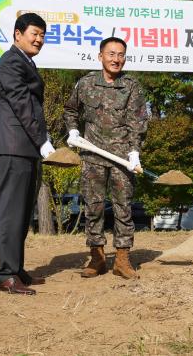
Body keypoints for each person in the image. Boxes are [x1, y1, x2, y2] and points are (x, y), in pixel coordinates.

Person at [64, 37, 148, 279]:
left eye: (121, 55)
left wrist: (134, 151)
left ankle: (122, 260)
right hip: (92, 155)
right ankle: (97, 257)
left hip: (122, 158)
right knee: (94, 206)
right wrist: (73, 130)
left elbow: (138, 121)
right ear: (100, 56)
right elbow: (71, 110)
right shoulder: (86, 83)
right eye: (111, 54)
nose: (116, 59)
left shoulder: (131, 86)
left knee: (123, 208)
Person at [0, 12, 55, 295]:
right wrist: (42, 140)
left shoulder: (25, 62)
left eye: (42, 35)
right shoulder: (10, 63)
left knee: (23, 211)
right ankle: (5, 274)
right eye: (34, 34)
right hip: (13, 146)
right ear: (18, 34)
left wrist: (43, 139)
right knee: (11, 212)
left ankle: (15, 269)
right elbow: (21, 105)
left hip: (25, 147)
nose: (39, 39)